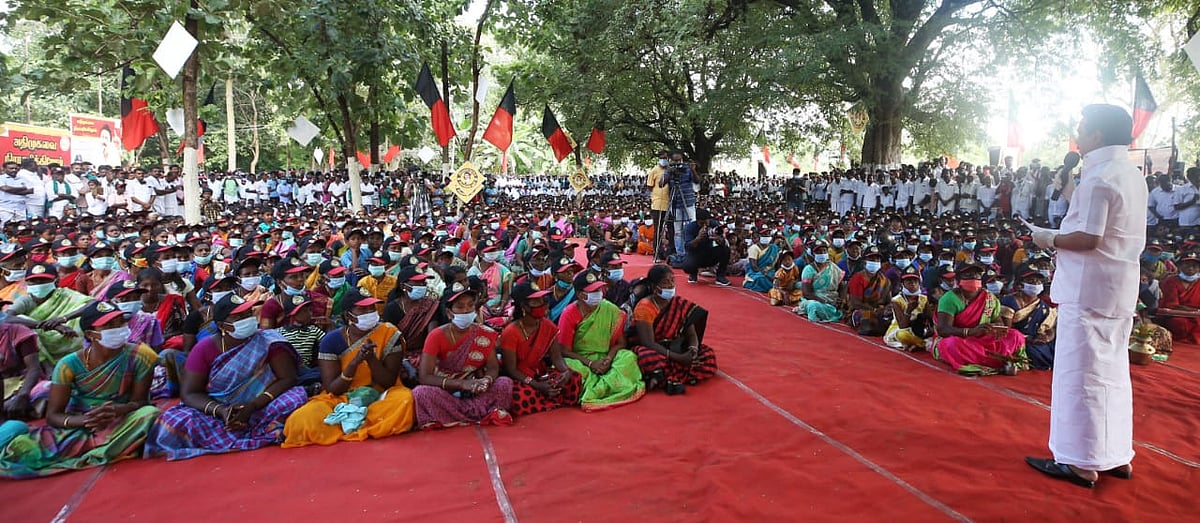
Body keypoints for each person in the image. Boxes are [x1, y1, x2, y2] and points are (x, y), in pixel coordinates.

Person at [1025, 105, 1146, 488]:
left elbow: (1090, 238)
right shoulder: (1130, 174)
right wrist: (1066, 190)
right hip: (1118, 288)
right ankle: (1115, 456)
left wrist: (1048, 238)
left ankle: (1079, 461)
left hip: (1087, 291)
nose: (1077, 131)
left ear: (1095, 135)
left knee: (1080, 376)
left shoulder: (1099, 179)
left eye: (1082, 126)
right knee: (1111, 374)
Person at [0, 301, 159, 479]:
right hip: (78, 425)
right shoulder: (68, 365)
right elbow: (54, 416)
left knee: (149, 414)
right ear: (91, 334)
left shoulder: (142, 355)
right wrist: (87, 420)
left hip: (121, 420)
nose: (118, 328)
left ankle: (99, 449)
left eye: (120, 322)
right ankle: (107, 447)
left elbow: (140, 402)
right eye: (109, 325)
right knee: (22, 448)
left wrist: (117, 410)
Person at [146, 294, 306, 460]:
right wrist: (222, 411)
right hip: (217, 410)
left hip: (262, 406)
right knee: (173, 419)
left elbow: (287, 378)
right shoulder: (204, 349)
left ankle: (244, 429)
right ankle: (244, 429)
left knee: (296, 397)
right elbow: (190, 393)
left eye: (248, 314)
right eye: (238, 317)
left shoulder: (269, 340)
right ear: (223, 326)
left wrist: (252, 405)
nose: (247, 319)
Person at [282, 289, 415, 446]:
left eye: (372, 308)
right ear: (347, 315)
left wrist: (371, 359)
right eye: (362, 309)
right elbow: (332, 388)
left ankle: (350, 424)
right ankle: (359, 422)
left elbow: (388, 382)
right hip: (341, 398)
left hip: (381, 394)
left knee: (404, 401)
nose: (369, 312)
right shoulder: (331, 341)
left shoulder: (389, 333)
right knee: (302, 419)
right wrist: (354, 364)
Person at [411, 285, 514, 429]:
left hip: (475, 390)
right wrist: (461, 384)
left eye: (470, 305)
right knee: (421, 393)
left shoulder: (485, 333)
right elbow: (425, 377)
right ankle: (482, 413)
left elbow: (492, 367)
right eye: (460, 307)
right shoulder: (436, 336)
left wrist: (485, 380)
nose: (466, 310)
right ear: (449, 313)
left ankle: (459, 414)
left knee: (504, 382)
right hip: (446, 391)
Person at [557, 271, 644, 411]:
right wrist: (591, 363)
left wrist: (608, 359)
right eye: (593, 291)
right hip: (580, 360)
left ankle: (607, 387)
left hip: (605, 356)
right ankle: (601, 390)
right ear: (580, 295)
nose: (598, 293)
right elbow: (564, 351)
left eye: (599, 289)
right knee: (568, 368)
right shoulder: (569, 313)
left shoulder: (609, 309)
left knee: (628, 357)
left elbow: (621, 343)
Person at [630, 265, 717, 395]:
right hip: (656, 349)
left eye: (672, 281)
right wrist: (679, 358)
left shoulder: (678, 303)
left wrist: (692, 350)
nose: (670, 285)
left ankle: (660, 377)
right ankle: (679, 374)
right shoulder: (645, 307)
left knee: (708, 354)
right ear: (655, 287)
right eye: (665, 282)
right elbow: (648, 342)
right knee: (646, 357)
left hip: (676, 346)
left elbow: (691, 333)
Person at [499, 281, 581, 416]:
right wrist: (537, 385)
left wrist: (565, 372)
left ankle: (546, 396)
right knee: (520, 397)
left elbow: (557, 358)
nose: (543, 304)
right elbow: (511, 369)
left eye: (542, 299)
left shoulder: (548, 326)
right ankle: (546, 396)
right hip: (520, 377)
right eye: (536, 301)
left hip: (540, 373)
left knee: (574, 378)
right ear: (524, 306)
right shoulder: (511, 332)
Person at [929, 263, 1027, 375]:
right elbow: (943, 330)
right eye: (968, 274)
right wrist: (970, 332)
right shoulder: (949, 299)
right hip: (960, 339)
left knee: (1015, 335)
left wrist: (995, 329)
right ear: (958, 279)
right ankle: (998, 365)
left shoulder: (990, 298)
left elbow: (998, 321)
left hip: (982, 338)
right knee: (952, 344)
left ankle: (999, 362)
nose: (974, 277)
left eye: (977, 274)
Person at [4, 263, 93, 365]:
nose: (39, 284)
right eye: (34, 281)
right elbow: (7, 318)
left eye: (43, 281)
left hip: (70, 336)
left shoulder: (65, 294)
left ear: (56, 281)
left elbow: (93, 303)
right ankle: (45, 365)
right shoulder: (25, 300)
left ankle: (82, 356)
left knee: (83, 314)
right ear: (27, 283)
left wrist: (64, 318)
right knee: (21, 321)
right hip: (40, 340)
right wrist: (49, 326)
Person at [999, 269, 1057, 370]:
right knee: (1032, 351)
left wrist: (1046, 338)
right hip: (1017, 340)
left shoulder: (1044, 307)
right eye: (1031, 281)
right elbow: (1006, 330)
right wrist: (1027, 339)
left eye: (1039, 282)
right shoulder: (1009, 302)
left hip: (1036, 339)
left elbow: (1050, 328)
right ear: (1020, 285)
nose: (1036, 284)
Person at [884, 266, 932, 351]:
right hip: (899, 329)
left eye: (915, 281)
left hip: (918, 330)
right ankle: (923, 344)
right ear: (902, 284)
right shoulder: (896, 300)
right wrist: (909, 310)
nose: (912, 284)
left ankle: (915, 344)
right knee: (902, 335)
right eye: (909, 281)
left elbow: (929, 318)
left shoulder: (924, 299)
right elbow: (903, 326)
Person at [846, 246, 892, 335]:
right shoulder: (857, 278)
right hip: (861, 310)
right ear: (864, 261)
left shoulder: (885, 280)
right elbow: (855, 303)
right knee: (868, 317)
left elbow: (889, 301)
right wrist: (874, 310)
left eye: (877, 259)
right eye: (871, 259)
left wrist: (887, 309)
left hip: (880, 310)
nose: (875, 261)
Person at [795, 240, 844, 322]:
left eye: (824, 251)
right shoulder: (809, 269)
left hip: (832, 299)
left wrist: (841, 299)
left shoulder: (833, 267)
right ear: (813, 254)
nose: (822, 253)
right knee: (812, 305)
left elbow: (842, 285)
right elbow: (806, 293)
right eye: (818, 251)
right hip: (816, 299)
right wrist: (824, 301)